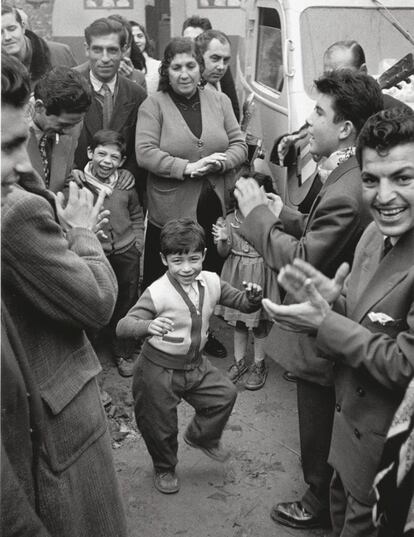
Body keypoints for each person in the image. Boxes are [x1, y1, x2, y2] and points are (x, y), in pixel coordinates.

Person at [234, 70, 384, 530]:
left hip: (326, 333)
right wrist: (286, 213)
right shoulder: (348, 173)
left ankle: (318, 499)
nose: (309, 120)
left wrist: (257, 215)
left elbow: (302, 259)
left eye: (319, 111)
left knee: (317, 424)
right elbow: (321, 228)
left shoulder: (348, 186)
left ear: (344, 128)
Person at [261, 106, 414, 537]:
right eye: (371, 179)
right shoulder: (373, 234)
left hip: (389, 463)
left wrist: (326, 321)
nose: (384, 196)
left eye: (403, 178)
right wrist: (335, 303)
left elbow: (404, 364)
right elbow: (361, 313)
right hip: (345, 448)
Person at [1, 53, 127, 537]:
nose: (20, 161)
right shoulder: (15, 213)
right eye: (9, 145)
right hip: (58, 433)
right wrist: (80, 232)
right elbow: (97, 302)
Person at [116, 218, 263, 494]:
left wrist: (252, 299)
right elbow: (123, 326)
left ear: (204, 255)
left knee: (225, 395)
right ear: (163, 259)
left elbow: (240, 302)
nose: (187, 268)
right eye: (177, 261)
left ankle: (201, 436)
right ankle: (164, 467)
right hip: (157, 371)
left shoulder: (211, 282)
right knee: (160, 426)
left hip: (195, 365)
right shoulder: (157, 292)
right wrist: (147, 326)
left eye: (194, 259)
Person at [135, 36, 247, 357]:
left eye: (190, 66)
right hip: (172, 206)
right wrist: (186, 167)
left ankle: (202, 332)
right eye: (176, 67)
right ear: (166, 72)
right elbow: (145, 153)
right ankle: (160, 339)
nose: (184, 74)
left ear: (200, 69)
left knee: (205, 270)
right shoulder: (153, 106)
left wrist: (221, 160)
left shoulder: (219, 101)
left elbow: (238, 144)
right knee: (168, 273)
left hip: (213, 202)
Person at [71, 129, 144, 377]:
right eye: (101, 154)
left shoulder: (126, 184)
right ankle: (87, 352)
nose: (107, 161)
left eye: (114, 157)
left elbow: (136, 214)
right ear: (90, 153)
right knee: (92, 299)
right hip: (94, 253)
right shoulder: (78, 184)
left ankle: (123, 350)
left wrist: (138, 243)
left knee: (127, 300)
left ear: (122, 162)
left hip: (126, 251)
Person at [213, 173, 280, 390]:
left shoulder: (270, 219)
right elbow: (222, 253)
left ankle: (259, 364)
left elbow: (277, 248)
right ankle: (239, 362)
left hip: (261, 274)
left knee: (260, 325)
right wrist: (223, 240)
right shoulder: (230, 220)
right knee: (240, 323)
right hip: (237, 276)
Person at [74, 17, 147, 205]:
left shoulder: (137, 94)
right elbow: (53, 135)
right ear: (86, 49)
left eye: (112, 50)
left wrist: (131, 170)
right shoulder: (70, 87)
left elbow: (143, 142)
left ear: (124, 50)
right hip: (78, 189)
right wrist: (70, 168)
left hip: (120, 194)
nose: (105, 58)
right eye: (97, 49)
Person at [27, 66, 91, 193]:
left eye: (74, 124)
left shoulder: (73, 122)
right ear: (39, 107)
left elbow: (62, 176)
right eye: (63, 125)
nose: (67, 132)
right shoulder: (8, 132)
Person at [1, 2, 76, 89]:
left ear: (23, 27)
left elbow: (79, 95)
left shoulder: (61, 53)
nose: (7, 37)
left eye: (12, 29)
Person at [182, 15, 240, 121]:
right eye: (187, 40)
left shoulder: (220, 73)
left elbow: (234, 111)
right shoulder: (180, 83)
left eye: (225, 60)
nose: (221, 66)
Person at [130, 20, 161, 95]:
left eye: (140, 36)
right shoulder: (122, 67)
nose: (136, 41)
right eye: (131, 38)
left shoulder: (158, 66)